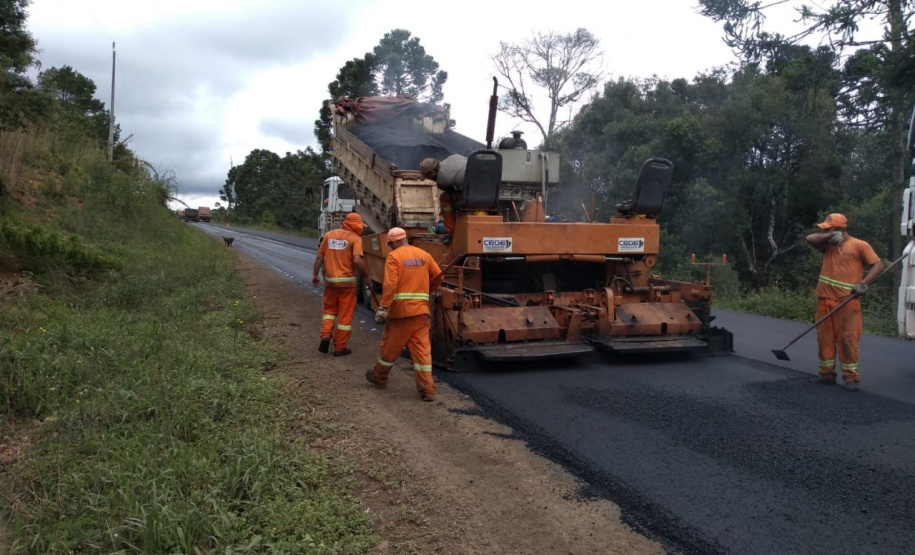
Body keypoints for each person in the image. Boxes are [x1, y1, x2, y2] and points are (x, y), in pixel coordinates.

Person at [806, 213, 884, 392]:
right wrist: (828, 236)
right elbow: (810, 238)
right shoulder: (828, 245)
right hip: (824, 300)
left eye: (829, 229)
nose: (825, 232)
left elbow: (878, 265)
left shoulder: (859, 245)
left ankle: (851, 378)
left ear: (840, 229)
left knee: (847, 339)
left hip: (846, 301)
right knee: (824, 339)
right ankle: (826, 375)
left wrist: (863, 284)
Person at [365, 227, 443, 402]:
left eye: (390, 245)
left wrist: (384, 307)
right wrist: (429, 291)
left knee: (390, 348)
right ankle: (427, 389)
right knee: (422, 353)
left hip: (400, 314)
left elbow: (391, 284)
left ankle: (379, 377)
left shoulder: (394, 257)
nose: (391, 248)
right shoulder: (424, 255)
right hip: (421, 313)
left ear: (394, 242)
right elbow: (438, 276)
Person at [312, 212, 366, 357]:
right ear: (358, 226)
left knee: (329, 311)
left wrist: (315, 274)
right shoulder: (355, 239)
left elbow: (319, 256)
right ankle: (339, 347)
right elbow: (357, 260)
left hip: (330, 282)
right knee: (345, 316)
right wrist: (366, 274)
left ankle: (325, 335)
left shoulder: (329, 235)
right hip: (347, 284)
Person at [419, 155, 466, 236]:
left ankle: (451, 233)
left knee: (444, 198)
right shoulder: (452, 157)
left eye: (427, 176)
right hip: (490, 192)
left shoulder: (442, 180)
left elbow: (452, 193)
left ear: (432, 172)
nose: (428, 179)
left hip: (471, 195)